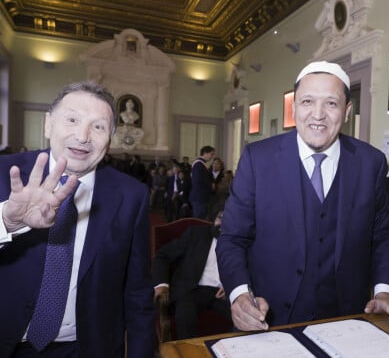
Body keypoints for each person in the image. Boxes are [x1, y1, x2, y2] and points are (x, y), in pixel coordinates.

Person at [216, 61, 389, 334]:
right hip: (270, 318)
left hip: (346, 316)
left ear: (346, 111)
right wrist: (239, 295)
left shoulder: (371, 163)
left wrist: (384, 292)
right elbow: (232, 238)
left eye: (331, 104)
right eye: (308, 101)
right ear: (294, 107)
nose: (318, 115)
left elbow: (381, 235)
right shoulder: (257, 159)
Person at [0, 82, 155, 357]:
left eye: (98, 127)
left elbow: (138, 290)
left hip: (88, 348)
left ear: (110, 138)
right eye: (72, 120)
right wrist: (6, 223)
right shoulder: (5, 174)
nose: (83, 136)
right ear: (48, 124)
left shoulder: (132, 196)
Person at [153, 209, 232, 339]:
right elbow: (163, 255)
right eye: (220, 217)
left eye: (230, 219)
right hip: (192, 289)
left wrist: (232, 284)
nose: (223, 223)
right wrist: (162, 285)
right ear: (213, 219)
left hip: (223, 292)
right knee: (185, 313)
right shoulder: (196, 233)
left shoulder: (240, 241)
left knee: (248, 315)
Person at [189, 146, 215, 219]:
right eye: (211, 154)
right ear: (205, 153)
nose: (212, 157)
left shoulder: (202, 164)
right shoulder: (198, 164)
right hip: (199, 197)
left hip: (201, 197)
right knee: (199, 220)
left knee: (201, 219)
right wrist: (211, 185)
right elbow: (198, 180)